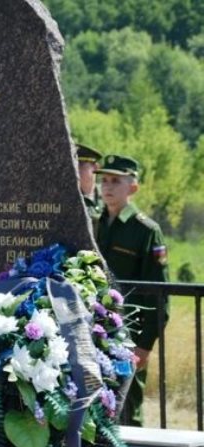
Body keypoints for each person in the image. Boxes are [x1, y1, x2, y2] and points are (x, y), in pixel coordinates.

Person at [95, 154, 170, 427]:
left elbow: (160, 293)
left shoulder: (146, 230)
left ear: (133, 188)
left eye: (116, 181)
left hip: (130, 336)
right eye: (104, 180)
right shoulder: (94, 222)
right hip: (96, 332)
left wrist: (145, 345)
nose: (108, 187)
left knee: (127, 407)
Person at [76, 142, 104, 222]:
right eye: (73, 164)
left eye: (80, 164)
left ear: (95, 167)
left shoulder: (108, 196)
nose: (75, 169)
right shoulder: (68, 198)